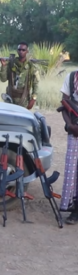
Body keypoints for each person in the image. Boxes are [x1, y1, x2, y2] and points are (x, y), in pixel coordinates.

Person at [59, 69, 78, 224]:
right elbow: (64, 103)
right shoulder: (72, 77)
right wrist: (70, 125)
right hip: (74, 131)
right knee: (72, 169)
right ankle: (72, 207)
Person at [0, 42, 40, 109]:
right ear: (17, 51)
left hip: (24, 100)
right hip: (10, 99)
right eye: (19, 49)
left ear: (27, 51)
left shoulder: (31, 66)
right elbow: (3, 79)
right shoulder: (11, 64)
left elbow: (36, 83)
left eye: (23, 50)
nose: (21, 51)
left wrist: (33, 99)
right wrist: (3, 66)